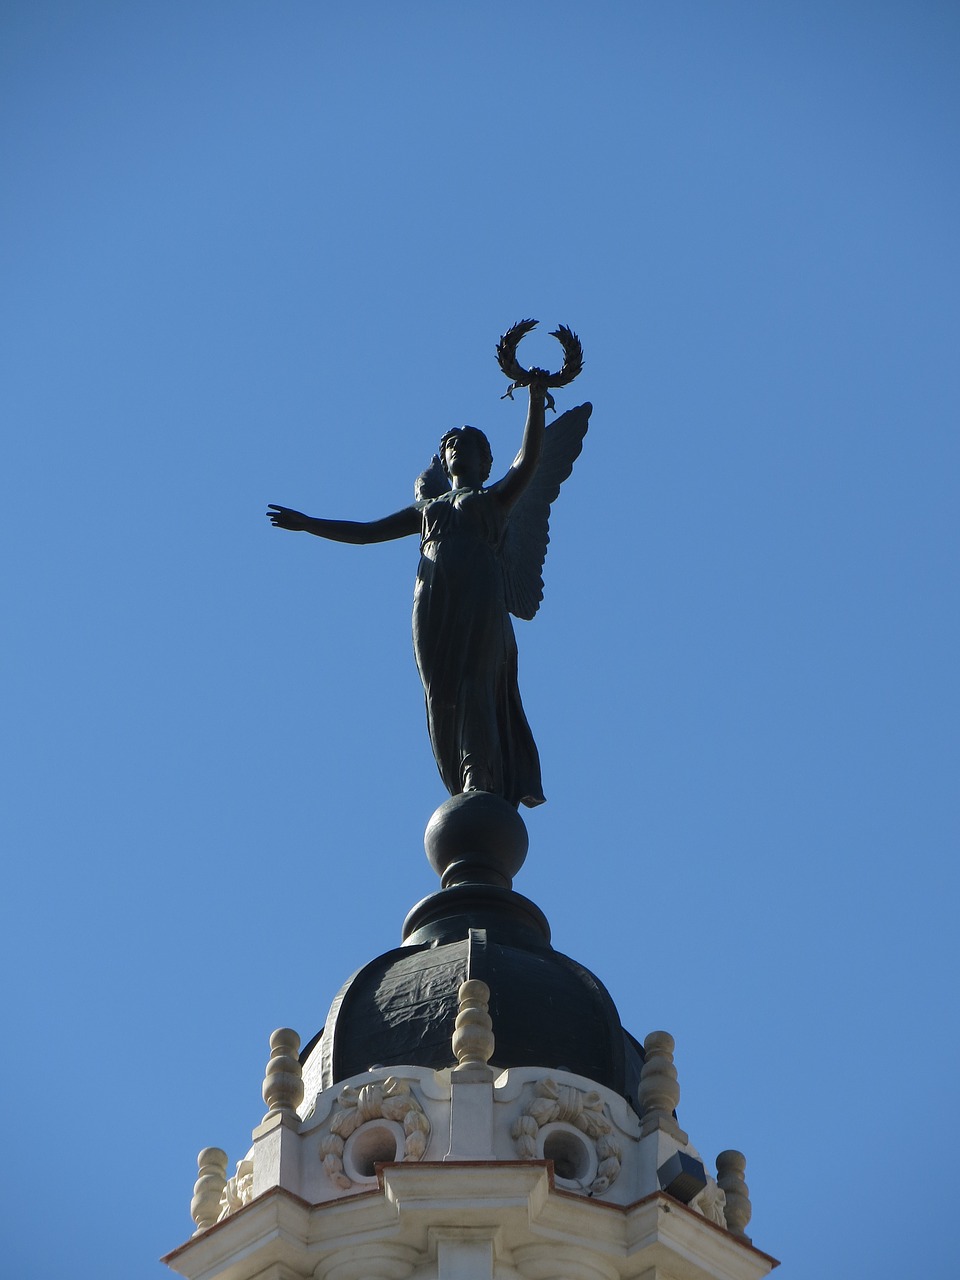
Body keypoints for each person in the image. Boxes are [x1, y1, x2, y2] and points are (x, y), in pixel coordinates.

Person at [267, 379, 551, 808]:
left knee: (476, 682)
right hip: (432, 595)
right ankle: (457, 778)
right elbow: (366, 533)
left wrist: (534, 397)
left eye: (466, 444)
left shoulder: (494, 499)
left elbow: (529, 461)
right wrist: (310, 523)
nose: (455, 449)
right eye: (450, 444)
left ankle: (479, 773)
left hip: (480, 592)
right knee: (440, 690)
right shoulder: (426, 509)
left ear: (484, 460)